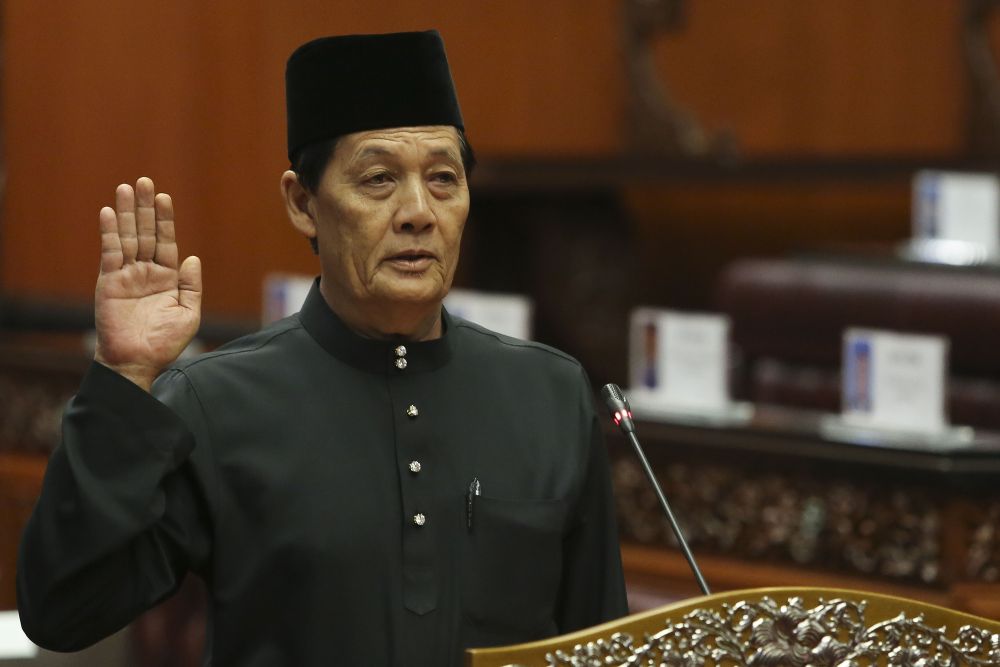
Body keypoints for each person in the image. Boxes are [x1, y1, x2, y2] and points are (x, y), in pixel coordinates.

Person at [17, 30, 628, 666]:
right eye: (378, 179)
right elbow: (62, 611)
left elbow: (603, 647)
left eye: (444, 178)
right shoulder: (215, 403)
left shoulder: (549, 395)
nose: (419, 211)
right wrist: (122, 379)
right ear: (304, 203)